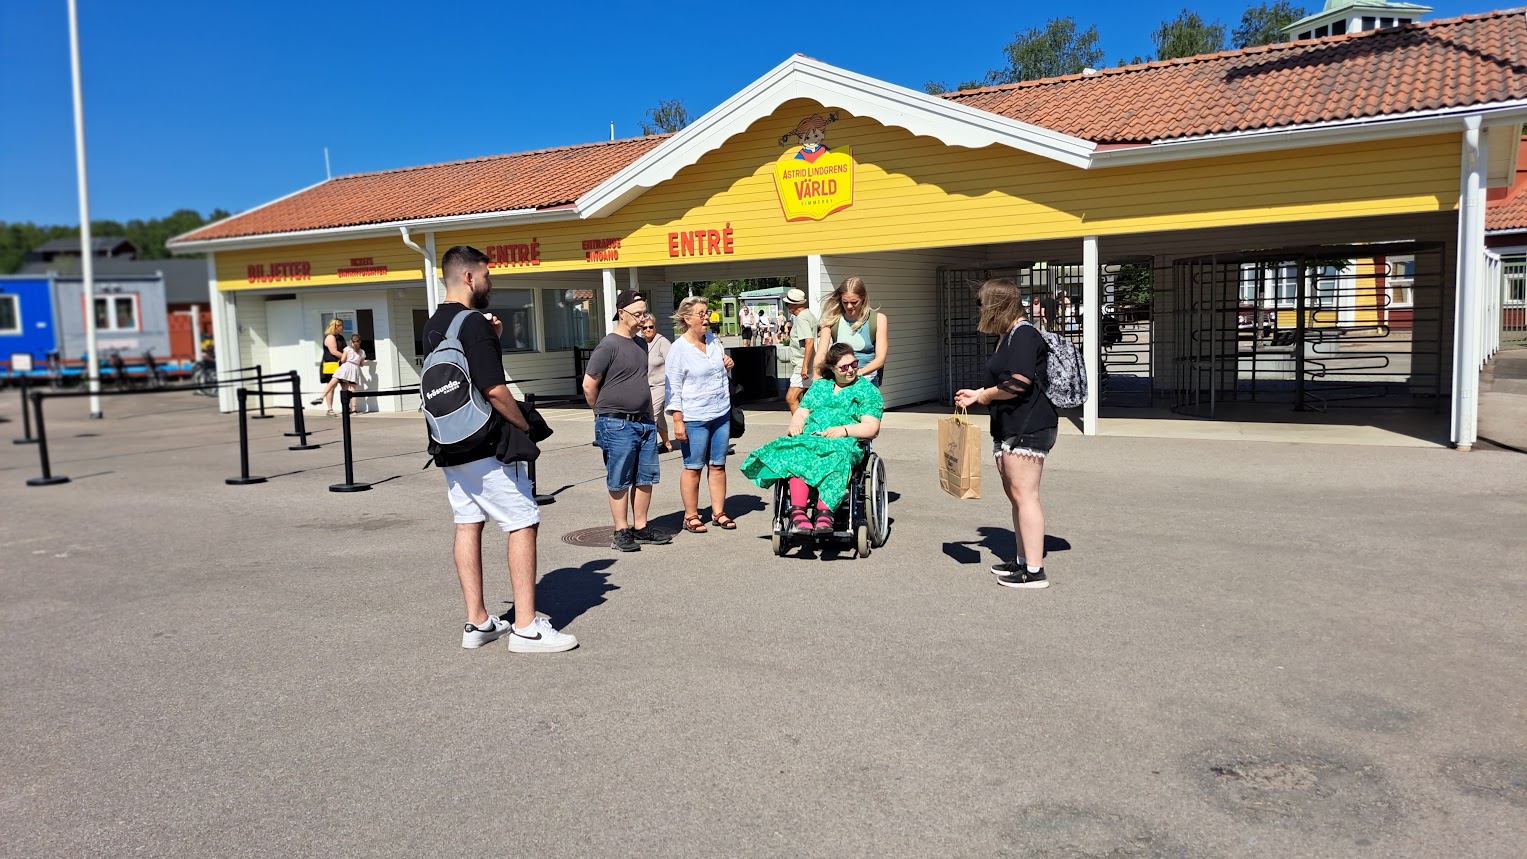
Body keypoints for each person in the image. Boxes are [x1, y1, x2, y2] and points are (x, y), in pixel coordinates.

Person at [425, 245, 576, 652]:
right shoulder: (473, 322)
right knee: (523, 520)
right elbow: (493, 389)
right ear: (469, 277)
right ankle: (526, 627)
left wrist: (491, 341)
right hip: (485, 443)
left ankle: (477, 622)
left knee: (467, 522)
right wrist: (524, 425)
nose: (490, 282)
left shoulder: (435, 323)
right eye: (487, 275)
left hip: (449, 441)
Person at [954, 277, 1057, 590]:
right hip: (1012, 425)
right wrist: (979, 393)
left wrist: (983, 396)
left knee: (1026, 496)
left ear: (997, 305)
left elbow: (1018, 383)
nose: (979, 309)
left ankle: (1034, 571)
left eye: (982, 303)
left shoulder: (1023, 335)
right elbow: (1007, 381)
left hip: (1028, 426)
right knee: (1016, 496)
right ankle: (1022, 560)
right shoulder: (1009, 334)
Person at [741, 343, 883, 535]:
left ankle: (825, 514)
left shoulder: (866, 390)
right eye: (844, 367)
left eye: (854, 364)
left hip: (845, 440)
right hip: (812, 436)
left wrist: (843, 430)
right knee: (795, 452)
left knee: (835, 455)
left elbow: (871, 427)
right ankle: (798, 512)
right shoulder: (820, 386)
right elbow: (802, 411)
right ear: (832, 368)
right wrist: (796, 424)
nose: (851, 370)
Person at [583, 290, 671, 553]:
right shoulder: (608, 345)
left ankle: (640, 527)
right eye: (638, 314)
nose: (643, 319)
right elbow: (589, 385)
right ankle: (621, 531)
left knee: (645, 477)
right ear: (622, 313)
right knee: (619, 478)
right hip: (616, 423)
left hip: (644, 422)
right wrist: (602, 413)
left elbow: (641, 382)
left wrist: (650, 417)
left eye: (644, 313)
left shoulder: (641, 344)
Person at [666, 296, 736, 534]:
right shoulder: (678, 349)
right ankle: (691, 516)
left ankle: (719, 512)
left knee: (718, 464)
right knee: (693, 466)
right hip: (694, 416)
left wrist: (728, 363)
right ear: (687, 319)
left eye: (707, 313)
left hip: (720, 412)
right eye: (701, 313)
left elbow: (718, 371)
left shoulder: (714, 341)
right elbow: (673, 388)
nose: (707, 317)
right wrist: (677, 420)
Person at [818, 276, 889, 387]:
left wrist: (857, 373)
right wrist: (817, 379)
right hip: (840, 380)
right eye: (845, 302)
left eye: (854, 302)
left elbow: (880, 359)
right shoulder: (832, 320)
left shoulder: (878, 319)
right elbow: (821, 355)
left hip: (866, 379)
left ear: (863, 298)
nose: (849, 306)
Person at [640, 312, 675, 453]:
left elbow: (673, 363)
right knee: (658, 415)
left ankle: (647, 446)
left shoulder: (662, 342)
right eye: (645, 327)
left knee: (652, 415)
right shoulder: (640, 343)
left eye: (651, 326)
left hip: (661, 385)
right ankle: (667, 444)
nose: (648, 329)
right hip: (646, 386)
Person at [782, 288, 818, 413]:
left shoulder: (801, 318)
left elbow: (809, 341)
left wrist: (804, 367)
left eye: (787, 304)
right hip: (809, 364)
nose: (787, 306)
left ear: (793, 305)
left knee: (791, 398)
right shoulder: (809, 315)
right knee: (808, 399)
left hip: (803, 364)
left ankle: (798, 423)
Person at [309, 318, 347, 415]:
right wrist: (346, 357)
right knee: (331, 386)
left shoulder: (341, 337)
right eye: (340, 326)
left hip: (341, 364)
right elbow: (333, 351)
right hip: (331, 364)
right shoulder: (330, 337)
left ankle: (346, 407)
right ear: (335, 326)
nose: (342, 327)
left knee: (345, 385)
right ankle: (330, 409)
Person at [332, 334, 366, 414]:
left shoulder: (347, 349)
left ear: (351, 341)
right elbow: (361, 364)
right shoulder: (362, 352)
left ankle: (346, 408)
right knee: (353, 390)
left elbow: (343, 360)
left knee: (344, 390)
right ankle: (354, 409)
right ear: (360, 342)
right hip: (354, 371)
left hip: (346, 370)